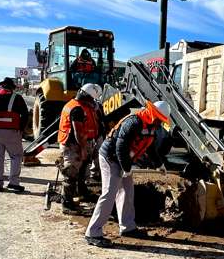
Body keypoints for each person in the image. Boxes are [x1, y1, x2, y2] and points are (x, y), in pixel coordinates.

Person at [84, 100, 171, 247]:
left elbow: (150, 149)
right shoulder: (134, 122)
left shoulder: (151, 127)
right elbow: (120, 145)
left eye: (161, 121)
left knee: (127, 191)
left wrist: (159, 164)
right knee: (109, 193)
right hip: (110, 157)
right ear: (152, 114)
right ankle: (93, 232)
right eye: (158, 119)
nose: (159, 123)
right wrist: (126, 167)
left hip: (124, 160)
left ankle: (128, 227)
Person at [57, 82, 101, 214]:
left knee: (83, 170)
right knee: (71, 173)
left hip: (83, 142)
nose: (93, 102)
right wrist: (82, 149)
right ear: (86, 96)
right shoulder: (77, 109)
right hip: (73, 145)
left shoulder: (83, 106)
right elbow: (78, 132)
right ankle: (67, 203)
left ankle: (82, 192)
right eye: (91, 99)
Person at [0, 77, 29, 193]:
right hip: (12, 131)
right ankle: (13, 182)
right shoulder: (17, 98)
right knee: (16, 156)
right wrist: (21, 129)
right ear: (12, 88)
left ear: (1, 86)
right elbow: (25, 115)